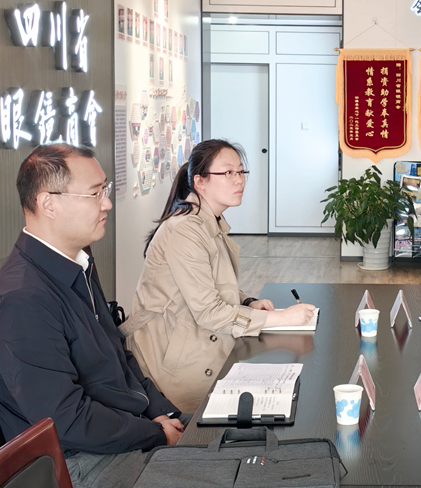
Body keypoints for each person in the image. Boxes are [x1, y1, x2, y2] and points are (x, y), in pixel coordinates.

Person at [0, 144, 184, 488]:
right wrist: (155, 434)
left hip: (121, 435)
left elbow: (119, 355)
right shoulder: (21, 298)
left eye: (104, 190)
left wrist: (164, 413)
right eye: (94, 194)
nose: (106, 204)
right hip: (75, 471)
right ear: (48, 203)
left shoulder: (78, 263)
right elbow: (67, 421)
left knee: (227, 439)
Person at [124, 140, 315, 412]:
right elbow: (208, 311)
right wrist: (283, 318)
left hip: (200, 342)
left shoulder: (206, 220)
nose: (239, 180)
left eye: (241, 172)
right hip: (176, 363)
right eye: (228, 173)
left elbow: (208, 284)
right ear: (200, 181)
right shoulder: (185, 229)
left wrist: (247, 301)